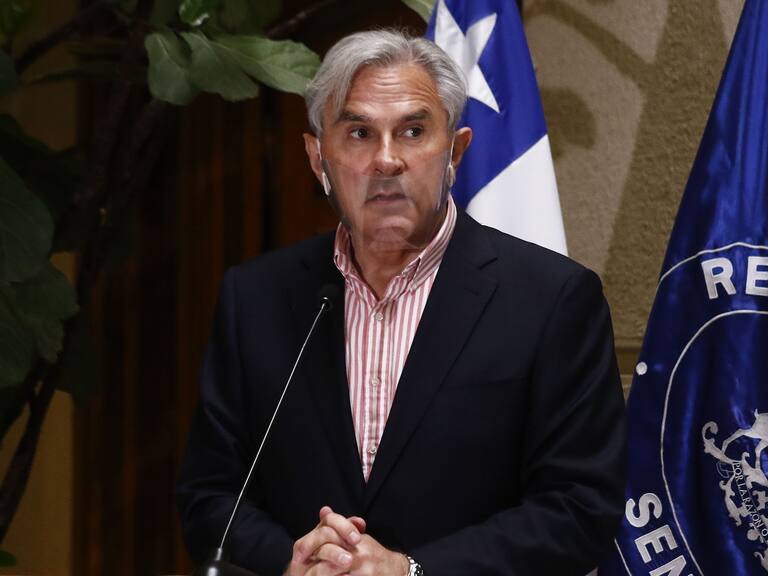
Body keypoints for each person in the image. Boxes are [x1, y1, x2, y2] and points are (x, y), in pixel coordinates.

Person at [177, 29, 626, 576]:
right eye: (360, 133)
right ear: (318, 158)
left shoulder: (552, 299)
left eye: (413, 131)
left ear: (455, 150)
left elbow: (580, 511)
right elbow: (210, 495)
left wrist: (411, 570)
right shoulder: (256, 298)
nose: (387, 160)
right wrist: (292, 560)